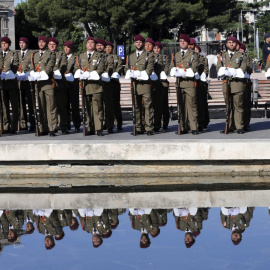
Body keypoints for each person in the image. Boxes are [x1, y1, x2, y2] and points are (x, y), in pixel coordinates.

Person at [217, 36, 248, 134]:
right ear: (226, 44)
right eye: (229, 42)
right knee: (228, 106)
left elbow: (242, 69)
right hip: (226, 84)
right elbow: (219, 69)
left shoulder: (242, 55)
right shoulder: (222, 56)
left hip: (237, 84)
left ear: (236, 44)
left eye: (233, 42)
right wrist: (230, 71)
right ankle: (229, 126)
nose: (231, 44)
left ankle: (239, 126)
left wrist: (230, 71)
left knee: (238, 106)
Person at [74, 37, 105, 136]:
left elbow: (101, 68)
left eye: (92, 42)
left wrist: (90, 74)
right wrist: (79, 73)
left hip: (96, 86)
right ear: (86, 45)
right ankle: (90, 128)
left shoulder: (100, 56)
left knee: (97, 108)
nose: (90, 44)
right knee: (87, 108)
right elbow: (76, 67)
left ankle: (98, 128)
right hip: (85, 86)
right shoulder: (80, 56)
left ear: (95, 45)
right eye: (88, 43)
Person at [125, 34, 155, 135]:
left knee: (148, 106)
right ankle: (138, 127)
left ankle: (149, 127)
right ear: (134, 43)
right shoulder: (131, 56)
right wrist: (129, 72)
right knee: (136, 106)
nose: (138, 44)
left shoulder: (148, 55)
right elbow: (126, 68)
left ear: (143, 43)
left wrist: (139, 73)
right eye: (137, 42)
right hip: (134, 85)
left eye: (140, 42)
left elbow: (150, 68)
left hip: (145, 84)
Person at [170, 34, 199, 135]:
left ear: (188, 43)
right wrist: (174, 71)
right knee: (181, 106)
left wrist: (182, 72)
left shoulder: (193, 54)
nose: (182, 43)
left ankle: (194, 127)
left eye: (184, 41)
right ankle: (182, 127)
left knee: (192, 105)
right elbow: (172, 67)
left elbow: (194, 67)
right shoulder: (176, 55)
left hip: (189, 83)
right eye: (181, 41)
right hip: (179, 83)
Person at [29, 36, 57, 136]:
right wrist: (32, 73)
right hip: (38, 85)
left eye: (43, 42)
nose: (41, 43)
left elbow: (49, 67)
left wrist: (39, 74)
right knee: (41, 107)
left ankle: (52, 128)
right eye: (39, 42)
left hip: (48, 83)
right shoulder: (34, 55)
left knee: (51, 106)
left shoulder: (51, 54)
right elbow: (31, 66)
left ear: (46, 43)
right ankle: (43, 128)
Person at [48, 37, 69, 134]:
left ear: (56, 46)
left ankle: (63, 126)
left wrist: (58, 72)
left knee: (61, 106)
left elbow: (64, 65)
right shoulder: (45, 54)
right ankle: (52, 127)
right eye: (50, 44)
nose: (52, 46)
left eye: (54, 44)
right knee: (51, 107)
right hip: (48, 83)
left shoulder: (61, 54)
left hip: (59, 83)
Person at [96, 38, 115, 133]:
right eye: (98, 45)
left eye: (101, 45)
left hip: (106, 84)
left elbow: (110, 66)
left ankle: (109, 125)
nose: (99, 47)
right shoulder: (94, 56)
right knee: (98, 106)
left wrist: (105, 74)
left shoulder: (108, 57)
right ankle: (98, 125)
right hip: (96, 84)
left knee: (108, 105)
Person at [0, 36, 19, 134]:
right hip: (2, 83)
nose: (3, 45)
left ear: (9, 44)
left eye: (5, 43)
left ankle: (14, 126)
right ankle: (5, 125)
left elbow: (15, 65)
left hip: (11, 82)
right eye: (2, 43)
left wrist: (9, 74)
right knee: (4, 105)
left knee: (14, 105)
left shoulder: (13, 54)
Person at [17, 37, 35, 132]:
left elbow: (33, 65)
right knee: (21, 103)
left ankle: (32, 123)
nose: (21, 44)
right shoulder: (16, 54)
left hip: (28, 82)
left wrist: (28, 73)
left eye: (23, 43)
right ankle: (23, 124)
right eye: (20, 43)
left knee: (31, 103)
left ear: (27, 44)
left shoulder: (31, 54)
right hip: (20, 82)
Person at [105, 41, 123, 131]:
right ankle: (108, 124)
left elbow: (119, 67)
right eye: (106, 47)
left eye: (109, 47)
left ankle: (119, 123)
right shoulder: (102, 57)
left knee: (116, 104)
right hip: (105, 84)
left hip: (114, 83)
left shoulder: (117, 58)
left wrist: (115, 73)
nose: (108, 49)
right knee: (107, 105)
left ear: (112, 48)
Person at [64, 40, 81, 132]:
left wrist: (70, 74)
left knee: (74, 106)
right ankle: (66, 124)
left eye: (68, 47)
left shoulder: (75, 58)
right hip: (64, 84)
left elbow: (77, 69)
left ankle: (76, 124)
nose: (66, 49)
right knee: (65, 106)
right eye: (65, 47)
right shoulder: (62, 57)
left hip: (72, 84)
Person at [153, 42, 170, 130]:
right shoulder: (150, 57)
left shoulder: (164, 58)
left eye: (158, 48)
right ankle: (156, 122)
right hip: (153, 82)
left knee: (164, 103)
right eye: (155, 48)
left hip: (162, 82)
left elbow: (167, 67)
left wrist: (164, 73)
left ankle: (165, 122)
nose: (156, 49)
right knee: (155, 104)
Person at [194, 45, 209, 130]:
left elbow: (206, 69)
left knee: (202, 104)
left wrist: (203, 75)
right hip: (193, 83)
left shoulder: (203, 58)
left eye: (197, 49)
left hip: (201, 83)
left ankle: (203, 121)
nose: (195, 51)